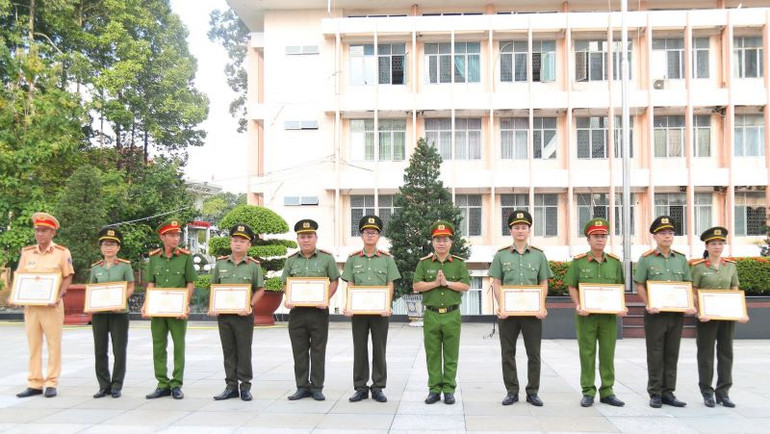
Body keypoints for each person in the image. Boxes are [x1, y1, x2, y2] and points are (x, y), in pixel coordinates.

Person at [489, 210, 552, 407]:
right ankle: (512, 391)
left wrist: (541, 305)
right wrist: (501, 306)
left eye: (524, 227)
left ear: (529, 230)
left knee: (534, 353)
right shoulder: (501, 256)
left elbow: (543, 282)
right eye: (516, 227)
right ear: (510, 230)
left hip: (532, 314)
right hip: (508, 314)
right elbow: (496, 282)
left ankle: (533, 392)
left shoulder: (539, 256)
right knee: (507, 352)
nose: (520, 230)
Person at [564, 218, 627, 408]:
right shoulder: (579, 262)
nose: (600, 239)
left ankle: (608, 391)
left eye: (603, 236)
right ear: (588, 239)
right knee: (587, 353)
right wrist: (578, 305)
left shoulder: (615, 263)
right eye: (596, 236)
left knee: (608, 354)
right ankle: (588, 391)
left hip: (608, 318)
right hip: (586, 317)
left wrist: (621, 306)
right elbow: (571, 286)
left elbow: (619, 287)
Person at [635, 215, 695, 408]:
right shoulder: (646, 259)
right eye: (662, 233)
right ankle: (655, 392)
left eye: (670, 233)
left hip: (676, 314)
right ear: (654, 236)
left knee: (672, 352)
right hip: (655, 314)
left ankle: (669, 392)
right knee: (655, 352)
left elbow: (688, 285)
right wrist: (647, 303)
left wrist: (691, 304)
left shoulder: (681, 260)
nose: (667, 236)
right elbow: (640, 285)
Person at [341, 215, 401, 403]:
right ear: (361, 234)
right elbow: (350, 283)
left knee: (379, 349)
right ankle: (360, 387)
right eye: (367, 232)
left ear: (379, 236)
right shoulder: (352, 259)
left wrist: (388, 305)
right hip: (358, 313)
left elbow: (390, 284)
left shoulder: (387, 259)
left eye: (374, 233)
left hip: (380, 313)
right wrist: (348, 305)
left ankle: (378, 387)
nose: (370, 235)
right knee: (359, 349)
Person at [15, 212, 74, 399]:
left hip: (52, 307)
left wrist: (59, 295)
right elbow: (20, 277)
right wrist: (15, 296)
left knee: (53, 344)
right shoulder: (27, 253)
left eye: (44, 231)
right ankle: (34, 382)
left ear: (52, 233)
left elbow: (68, 276)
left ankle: (51, 382)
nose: (39, 234)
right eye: (37, 230)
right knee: (33, 345)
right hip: (32, 307)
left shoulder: (62, 253)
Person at [413, 220, 470, 405]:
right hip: (432, 314)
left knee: (451, 354)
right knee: (433, 353)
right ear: (432, 242)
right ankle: (434, 389)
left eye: (445, 239)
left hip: (452, 315)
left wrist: (448, 284)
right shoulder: (424, 263)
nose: (441, 243)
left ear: (451, 242)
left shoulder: (459, 264)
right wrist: (435, 284)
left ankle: (449, 389)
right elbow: (416, 286)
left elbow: (466, 285)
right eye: (437, 239)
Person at [282, 219, 339, 401]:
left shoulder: (326, 258)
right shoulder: (291, 260)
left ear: (316, 237)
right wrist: (288, 297)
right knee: (298, 350)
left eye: (309, 236)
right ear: (298, 239)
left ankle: (316, 387)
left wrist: (326, 299)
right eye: (302, 237)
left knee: (317, 350)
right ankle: (301, 386)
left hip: (318, 312)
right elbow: (285, 282)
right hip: (297, 312)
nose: (306, 240)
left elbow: (334, 280)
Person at [691, 226, 748, 408]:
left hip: (726, 317)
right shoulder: (698, 268)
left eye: (721, 243)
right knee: (706, 354)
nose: (717, 247)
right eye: (713, 244)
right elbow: (692, 291)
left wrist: (741, 312)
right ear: (707, 246)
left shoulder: (730, 266)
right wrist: (700, 310)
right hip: (706, 318)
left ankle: (723, 392)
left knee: (726, 353)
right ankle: (707, 391)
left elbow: (734, 289)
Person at [143, 218, 196, 400]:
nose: (176, 239)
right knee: (158, 346)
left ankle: (176, 384)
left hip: (177, 310)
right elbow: (151, 283)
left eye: (178, 235)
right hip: (158, 309)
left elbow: (190, 283)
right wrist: (146, 303)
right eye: (171, 235)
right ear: (162, 237)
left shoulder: (185, 257)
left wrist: (186, 304)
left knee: (178, 346)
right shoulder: (153, 258)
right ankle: (162, 383)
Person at [210, 223, 265, 402]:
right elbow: (214, 287)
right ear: (230, 242)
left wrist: (250, 304)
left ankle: (245, 386)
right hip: (224, 315)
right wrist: (212, 306)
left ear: (249, 245)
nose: (238, 244)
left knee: (244, 350)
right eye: (235, 240)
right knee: (228, 351)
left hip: (243, 316)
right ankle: (231, 386)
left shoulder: (253, 266)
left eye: (242, 241)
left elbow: (260, 290)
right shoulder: (220, 264)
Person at [89, 227, 135, 399]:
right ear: (101, 247)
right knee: (100, 350)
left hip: (119, 312)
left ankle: (116, 385)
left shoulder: (125, 266)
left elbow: (130, 286)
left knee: (119, 349)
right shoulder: (96, 268)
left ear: (118, 248)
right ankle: (103, 385)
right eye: (105, 244)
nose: (108, 248)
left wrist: (121, 300)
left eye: (112, 244)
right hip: (100, 314)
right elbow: (92, 288)